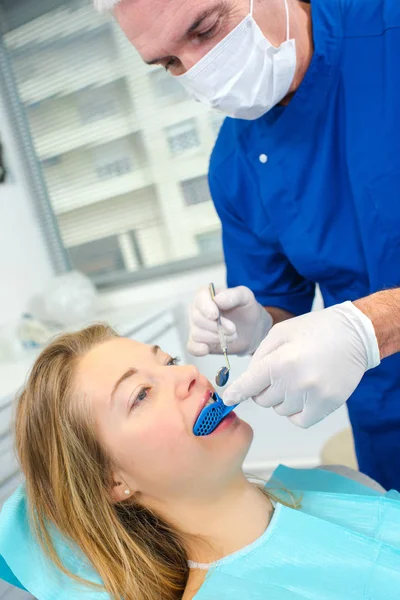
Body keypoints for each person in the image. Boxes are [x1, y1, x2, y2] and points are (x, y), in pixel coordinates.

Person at [93, 0, 400, 491]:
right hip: (387, 421)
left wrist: (373, 327)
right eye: (169, 63)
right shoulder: (235, 165)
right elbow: (280, 301)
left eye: (206, 28)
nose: (198, 71)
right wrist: (258, 321)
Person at [0, 325, 400, 600]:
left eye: (170, 362)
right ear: (112, 481)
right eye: (141, 394)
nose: (190, 373)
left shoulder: (335, 481)